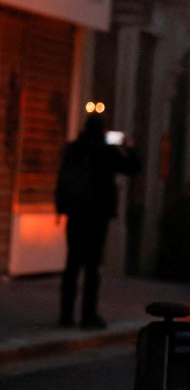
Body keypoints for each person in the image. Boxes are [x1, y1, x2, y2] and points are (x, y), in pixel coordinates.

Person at [56, 113, 140, 329]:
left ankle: (66, 315)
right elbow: (133, 167)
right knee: (92, 266)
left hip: (75, 213)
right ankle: (88, 315)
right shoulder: (106, 151)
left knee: (72, 263)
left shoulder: (73, 148)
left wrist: (61, 207)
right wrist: (128, 146)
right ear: (103, 130)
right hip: (97, 214)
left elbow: (62, 178)